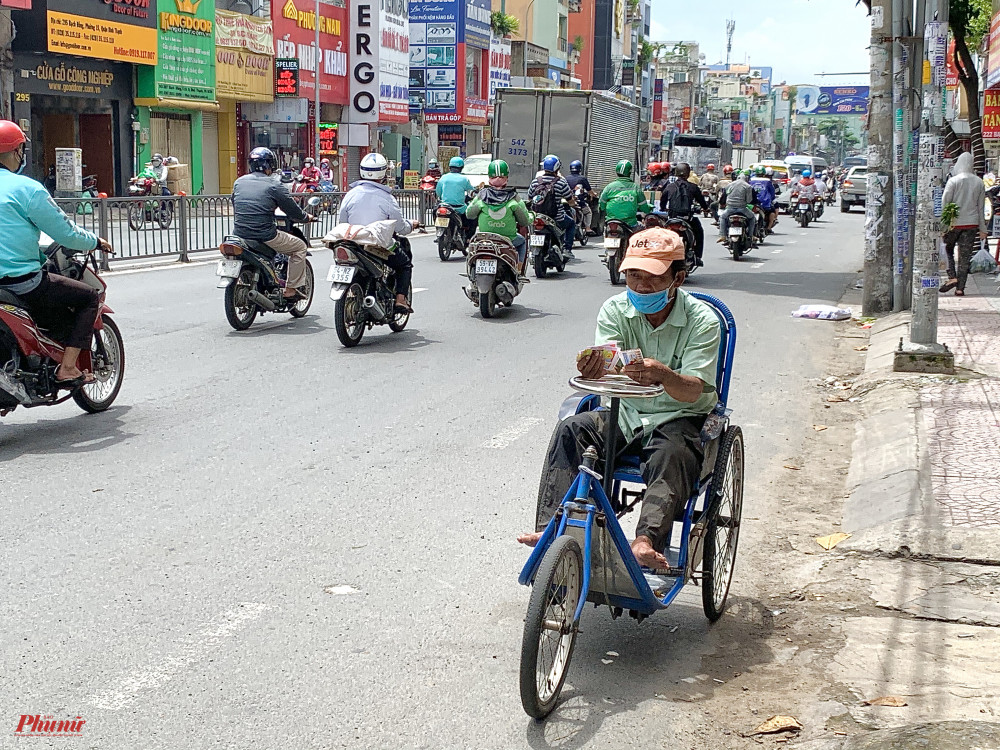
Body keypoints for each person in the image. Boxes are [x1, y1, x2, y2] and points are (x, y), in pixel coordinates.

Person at [517, 227, 722, 568]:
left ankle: (645, 542)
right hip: (624, 412)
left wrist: (665, 375)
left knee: (671, 453)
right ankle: (552, 528)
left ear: (678, 278)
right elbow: (608, 365)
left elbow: (695, 388)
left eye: (652, 278)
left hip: (678, 416)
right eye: (633, 276)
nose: (641, 286)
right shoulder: (615, 309)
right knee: (572, 429)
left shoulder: (703, 321)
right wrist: (592, 369)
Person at [0, 120, 113, 386]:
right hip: (22, 284)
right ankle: (68, 367)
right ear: (17, 152)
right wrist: (95, 241)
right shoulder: (27, 189)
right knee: (88, 297)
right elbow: (66, 233)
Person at [337, 152, 419, 313]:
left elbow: (342, 222)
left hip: (352, 242)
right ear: (383, 173)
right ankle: (401, 299)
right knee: (404, 264)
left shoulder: (350, 194)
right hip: (378, 245)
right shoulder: (387, 198)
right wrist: (412, 224)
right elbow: (400, 228)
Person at [231, 147, 314, 302]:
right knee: (299, 247)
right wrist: (306, 217)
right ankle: (290, 289)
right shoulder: (274, 185)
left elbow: (235, 203)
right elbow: (292, 210)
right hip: (265, 235)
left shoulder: (239, 182)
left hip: (239, 234)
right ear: (270, 165)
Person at [466, 159, 531, 274]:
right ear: (506, 178)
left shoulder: (481, 196)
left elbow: (469, 214)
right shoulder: (514, 198)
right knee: (522, 243)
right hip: (508, 240)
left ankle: (471, 274)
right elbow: (525, 221)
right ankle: (519, 271)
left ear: (489, 178)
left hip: (485, 239)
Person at [940, 152, 988, 296]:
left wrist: (943, 225)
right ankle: (960, 288)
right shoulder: (979, 182)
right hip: (972, 224)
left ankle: (952, 276)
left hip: (953, 223)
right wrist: (983, 228)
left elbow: (945, 203)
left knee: (947, 249)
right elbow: (981, 207)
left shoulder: (953, 181)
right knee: (964, 257)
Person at [660, 162, 708, 266]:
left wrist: (663, 208)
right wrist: (705, 209)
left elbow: (662, 201)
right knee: (699, 232)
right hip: (688, 219)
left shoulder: (670, 187)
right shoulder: (693, 187)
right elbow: (702, 202)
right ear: (688, 174)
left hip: (672, 218)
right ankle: (698, 257)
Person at [528, 154, 576, 257]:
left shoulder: (535, 181)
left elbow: (530, 198)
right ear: (557, 168)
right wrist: (574, 204)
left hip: (537, 216)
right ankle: (567, 249)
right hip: (557, 217)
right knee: (571, 224)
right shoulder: (561, 182)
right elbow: (570, 200)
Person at [599, 159, 652, 232]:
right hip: (630, 224)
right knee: (643, 232)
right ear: (630, 172)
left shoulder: (609, 187)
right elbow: (644, 208)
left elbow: (601, 205)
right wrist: (649, 208)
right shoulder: (635, 187)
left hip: (611, 223)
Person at [435, 156, 476, 240]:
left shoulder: (443, 177)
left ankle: (438, 229)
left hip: (444, 205)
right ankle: (468, 239)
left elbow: (438, 192)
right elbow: (471, 192)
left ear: (450, 167)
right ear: (461, 168)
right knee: (472, 220)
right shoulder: (464, 179)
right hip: (459, 208)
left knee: (435, 211)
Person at [717, 169, 756, 243]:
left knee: (722, 217)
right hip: (742, 208)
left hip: (730, 208)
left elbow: (723, 198)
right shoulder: (748, 186)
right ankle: (751, 236)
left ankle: (722, 236)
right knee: (752, 218)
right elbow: (749, 201)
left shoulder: (729, 185)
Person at [565, 159, 597, 236]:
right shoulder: (582, 179)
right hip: (579, 202)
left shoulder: (565, 178)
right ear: (580, 169)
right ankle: (588, 228)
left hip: (567, 202)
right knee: (588, 212)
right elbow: (589, 191)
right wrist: (594, 194)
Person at [749, 165, 778, 233]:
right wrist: (772, 198)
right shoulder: (767, 181)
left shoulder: (751, 180)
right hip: (765, 203)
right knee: (772, 212)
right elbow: (772, 192)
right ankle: (769, 227)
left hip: (752, 202)